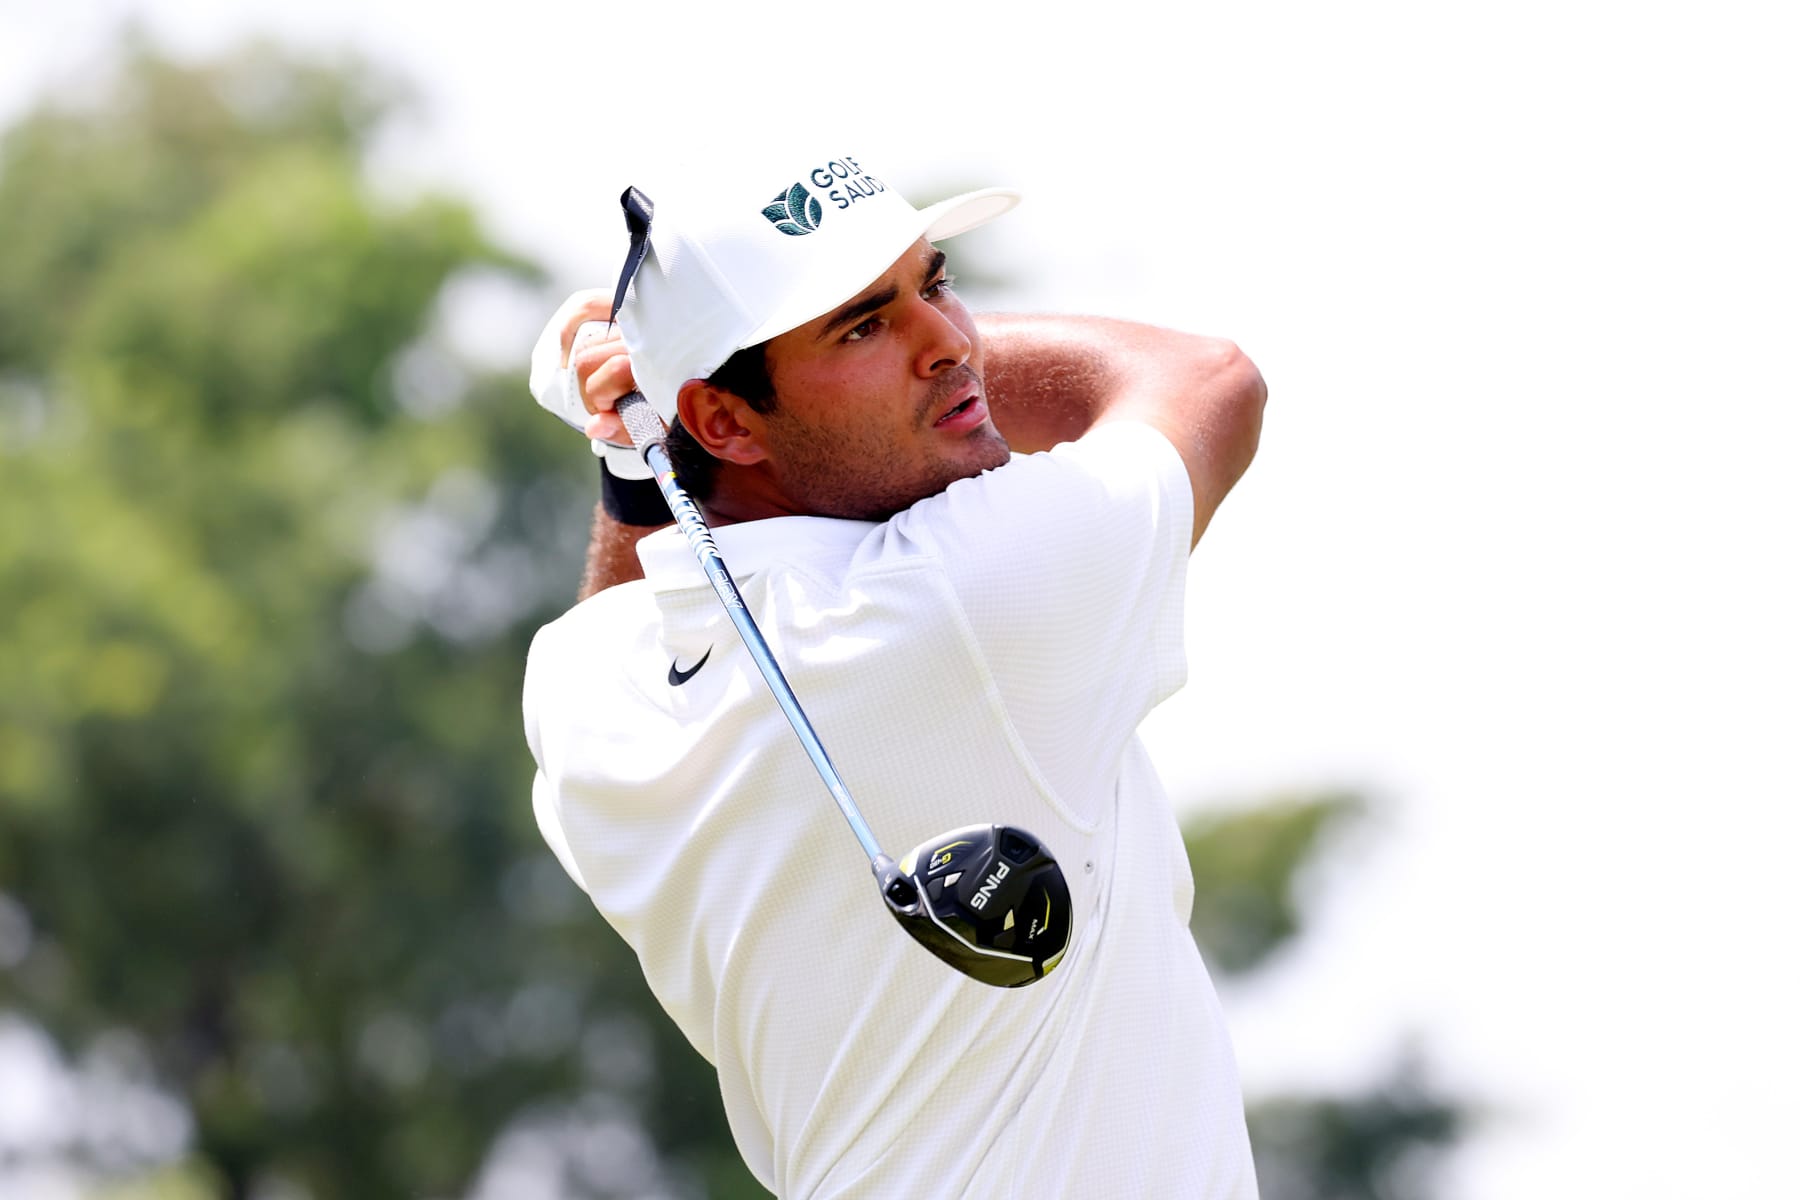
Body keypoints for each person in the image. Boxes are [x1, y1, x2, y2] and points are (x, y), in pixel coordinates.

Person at [521, 149, 1267, 1198]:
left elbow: (630, 593)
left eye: (938, 282)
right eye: (862, 323)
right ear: (726, 422)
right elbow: (1205, 380)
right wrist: (650, 399)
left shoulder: (587, 687)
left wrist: (644, 440)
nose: (949, 342)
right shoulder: (954, 599)